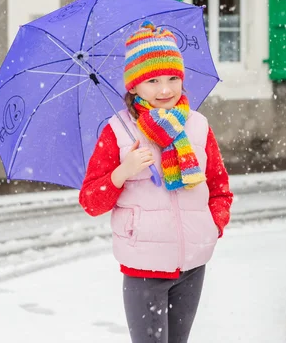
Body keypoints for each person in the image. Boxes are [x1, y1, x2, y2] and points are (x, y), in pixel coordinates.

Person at [79, 20, 233, 343]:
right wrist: (123, 171)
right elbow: (91, 200)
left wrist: (211, 226)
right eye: (153, 80)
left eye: (173, 77)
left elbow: (219, 187)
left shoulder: (198, 126)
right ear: (134, 86)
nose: (166, 89)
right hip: (143, 271)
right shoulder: (117, 132)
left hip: (192, 267)